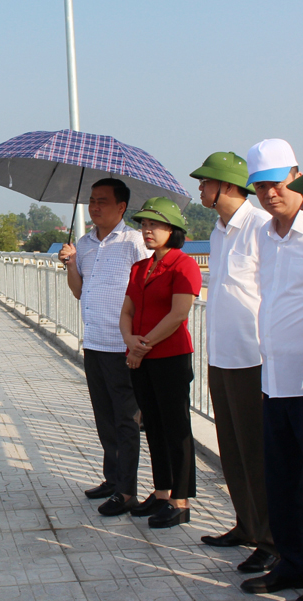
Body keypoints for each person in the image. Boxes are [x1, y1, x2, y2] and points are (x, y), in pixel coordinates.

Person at [189, 153, 276, 572]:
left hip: (252, 358)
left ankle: (270, 537)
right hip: (221, 355)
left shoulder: (260, 227)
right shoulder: (219, 231)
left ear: (225, 186)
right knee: (233, 450)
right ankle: (245, 523)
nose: (200, 190)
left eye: (205, 182)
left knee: (257, 451)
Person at [238, 140, 303, 601]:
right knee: (282, 483)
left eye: (277, 183)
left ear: (297, 174)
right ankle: (291, 564)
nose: (269, 193)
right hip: (276, 379)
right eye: (260, 186)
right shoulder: (265, 233)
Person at [59, 178, 149, 516]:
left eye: (102, 201)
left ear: (121, 207)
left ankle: (127, 492)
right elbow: (79, 290)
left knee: (127, 420)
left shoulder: (134, 243)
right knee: (104, 418)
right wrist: (70, 263)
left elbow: (146, 290)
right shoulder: (83, 244)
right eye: (92, 201)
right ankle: (111, 480)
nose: (94, 207)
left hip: (121, 345)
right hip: (94, 342)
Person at [120, 198, 202, 528]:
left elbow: (179, 313)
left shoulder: (184, 265)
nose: (148, 231)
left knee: (176, 428)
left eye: (155, 225)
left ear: (173, 230)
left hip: (169, 357)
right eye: (143, 225)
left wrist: (142, 346)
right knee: (152, 424)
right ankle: (162, 492)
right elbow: (127, 311)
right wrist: (129, 340)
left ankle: (181, 502)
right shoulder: (140, 267)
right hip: (141, 356)